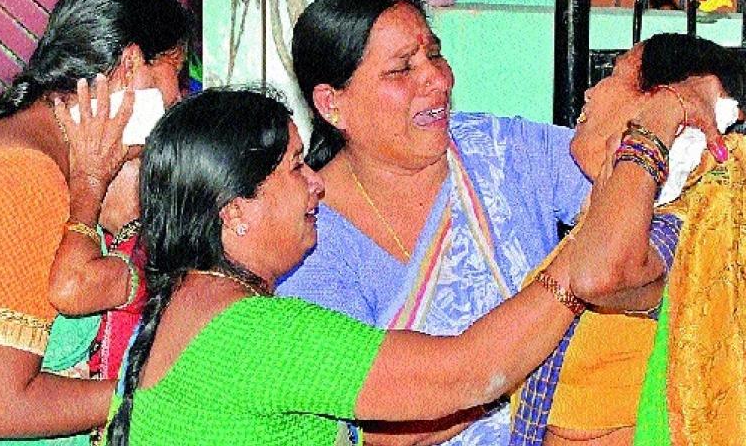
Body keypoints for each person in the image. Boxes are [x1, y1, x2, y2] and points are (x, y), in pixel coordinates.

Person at [41, 84, 669, 445]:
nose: (317, 186)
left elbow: (374, 426)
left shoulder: (181, 303)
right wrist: (572, 277)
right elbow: (466, 371)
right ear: (236, 213)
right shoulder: (258, 337)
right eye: (294, 168)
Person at [277, 0, 726, 443]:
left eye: (434, 54)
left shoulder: (501, 150)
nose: (437, 78)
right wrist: (573, 275)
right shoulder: (313, 244)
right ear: (332, 103)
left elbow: (631, 178)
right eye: (402, 69)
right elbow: (372, 433)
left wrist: (682, 100)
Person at [0, 0, 190, 443]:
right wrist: (156, 397)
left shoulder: (39, 158)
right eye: (176, 76)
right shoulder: (20, 179)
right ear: (131, 66)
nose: (177, 101)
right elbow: (0, 408)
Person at [510, 33, 742, 445]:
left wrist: (660, 118)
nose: (589, 92)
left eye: (613, 76)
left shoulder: (681, 228)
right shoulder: (616, 221)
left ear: (653, 105)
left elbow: (601, 275)